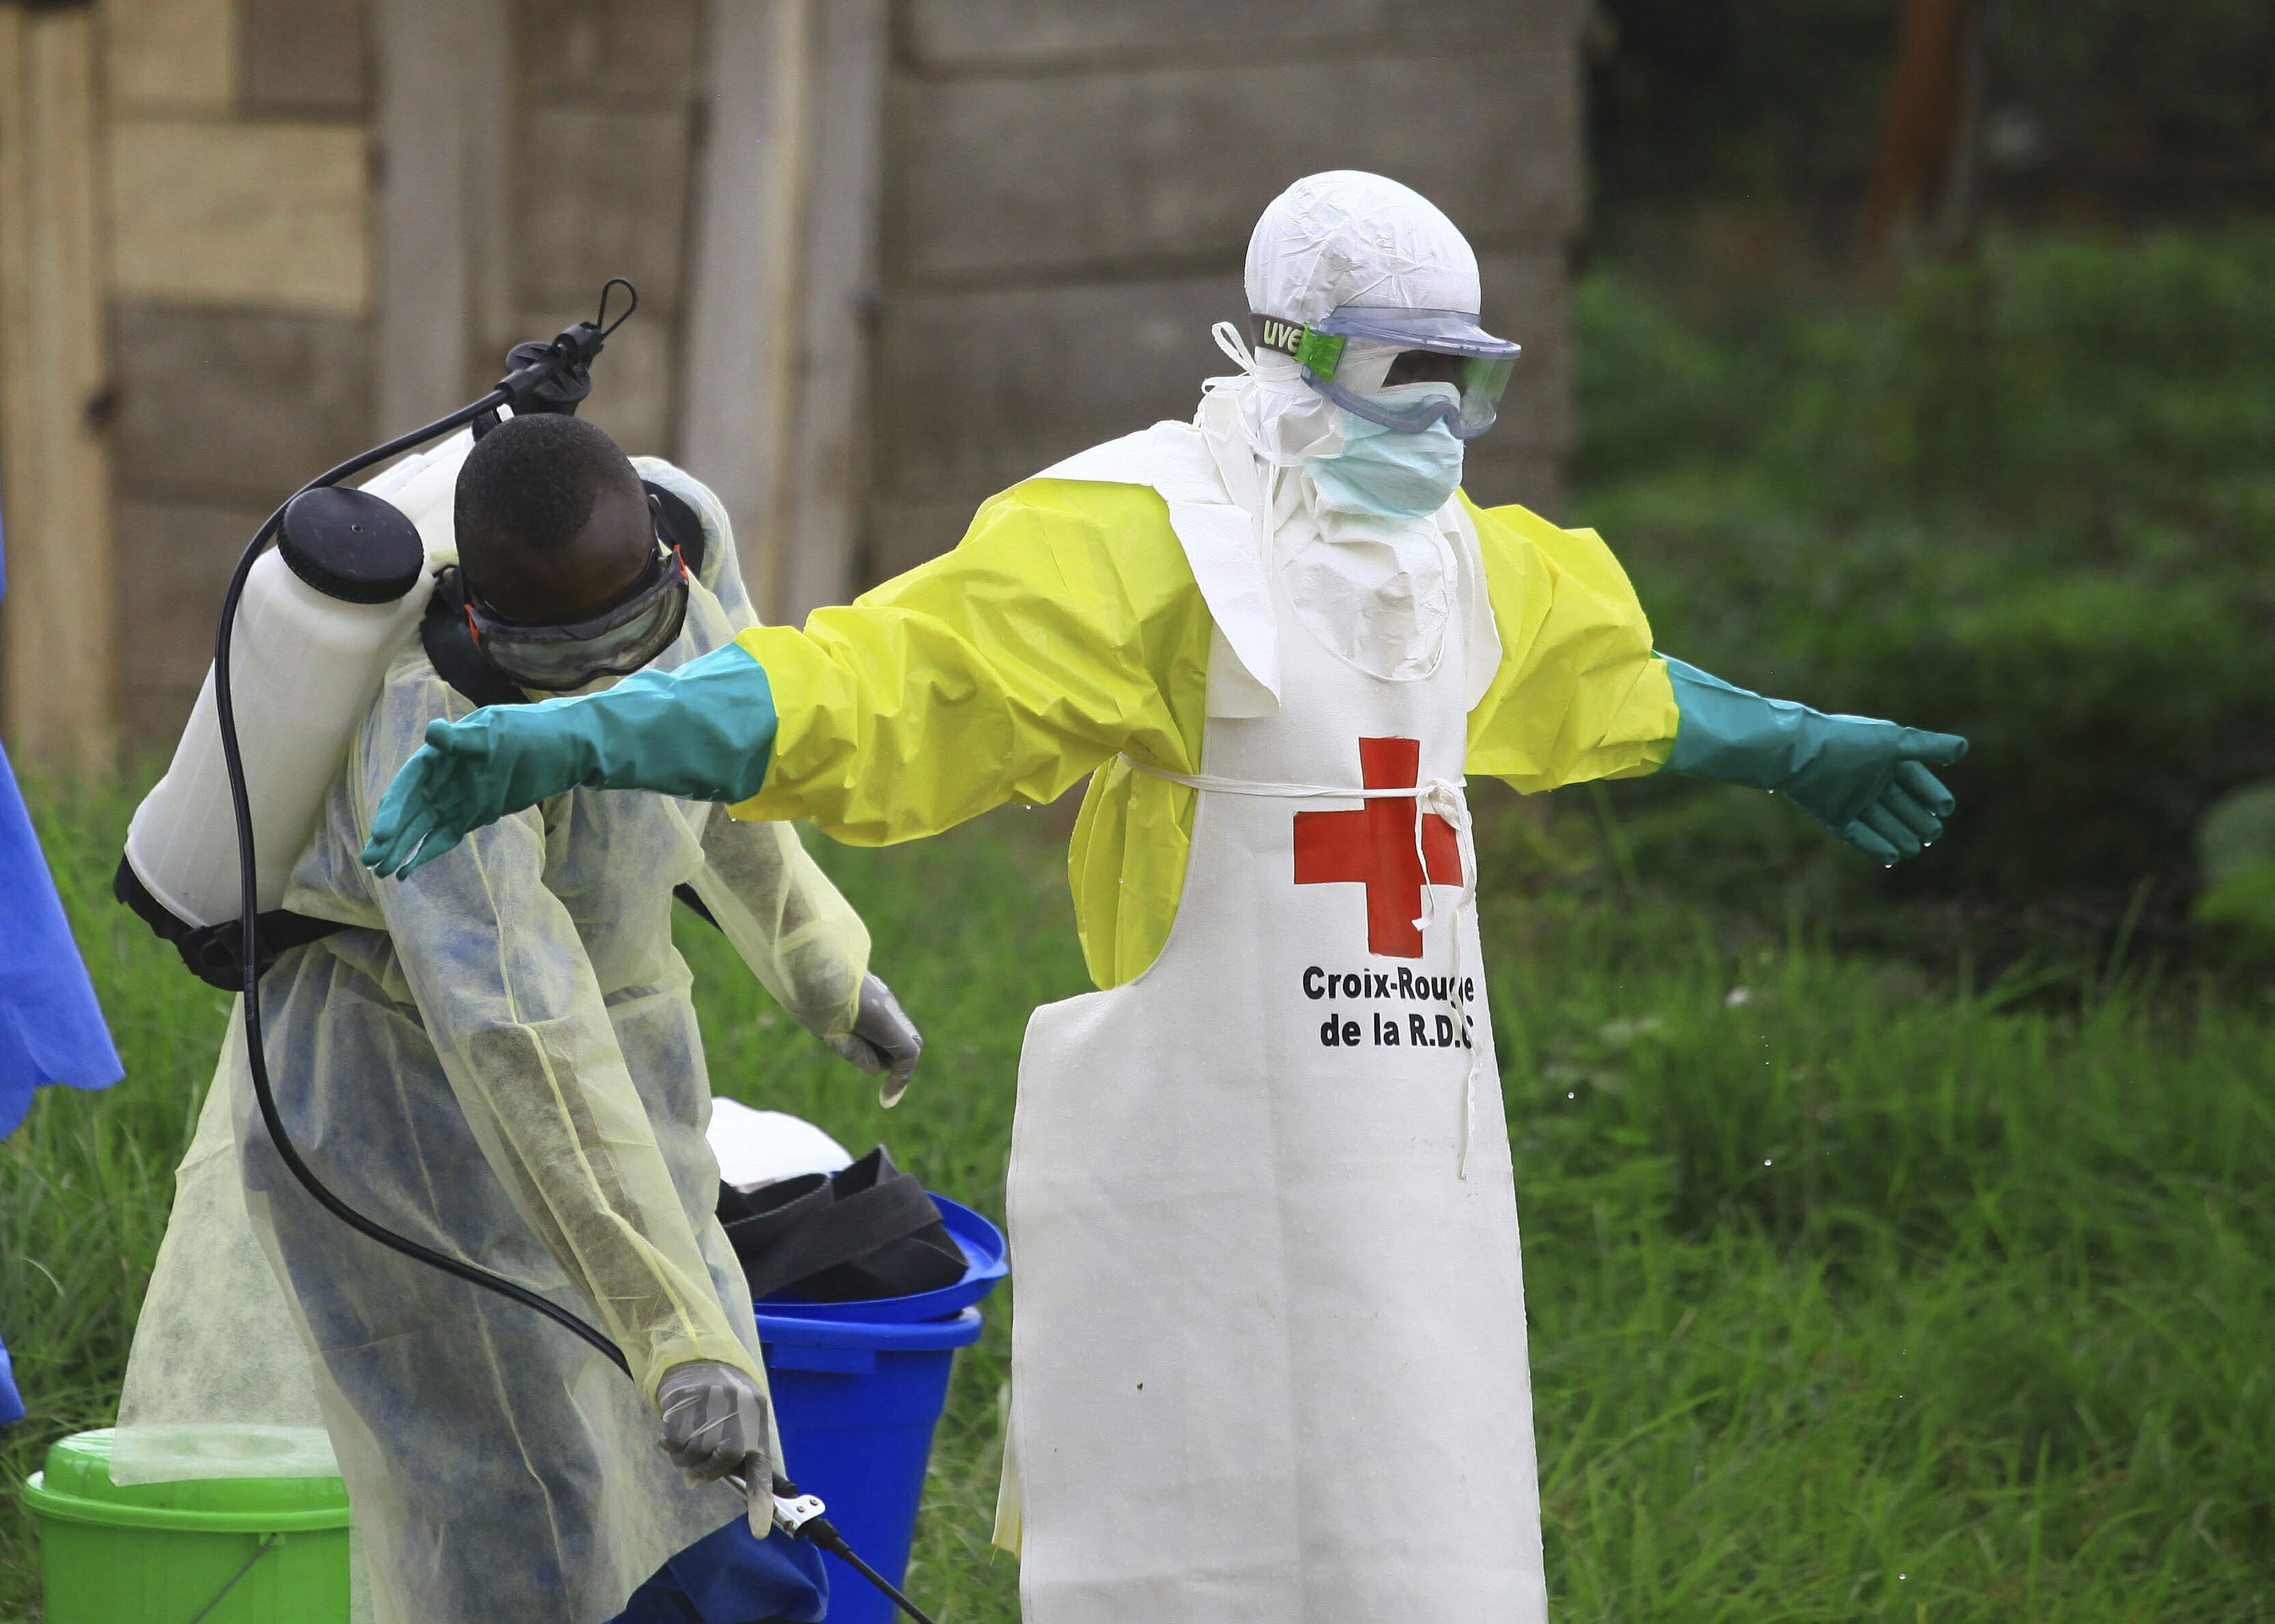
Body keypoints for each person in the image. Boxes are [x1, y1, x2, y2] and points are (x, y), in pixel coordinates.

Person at [361, 172, 1967, 1623]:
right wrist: (580, 728)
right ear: (1287, 354)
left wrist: (1799, 744)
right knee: (1203, 1548)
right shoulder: (1149, 540)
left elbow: (1613, 683)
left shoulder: (1462, 568)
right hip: (1204, 1182)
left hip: (1414, 1195)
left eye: (1471, 378)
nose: (1444, 423)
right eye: (1407, 374)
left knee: (1426, 1524)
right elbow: (877, 686)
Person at [117, 413, 922, 1624]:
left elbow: (719, 749)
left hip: (624, 1078)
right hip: (411, 1135)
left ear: (666, 561)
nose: (609, 684)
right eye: (567, 660)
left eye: (634, 632)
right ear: (482, 622)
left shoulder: (682, 538)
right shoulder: (431, 737)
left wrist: (822, 966)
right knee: (524, 1503)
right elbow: (518, 1034)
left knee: (709, 1473)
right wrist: (674, 1336)